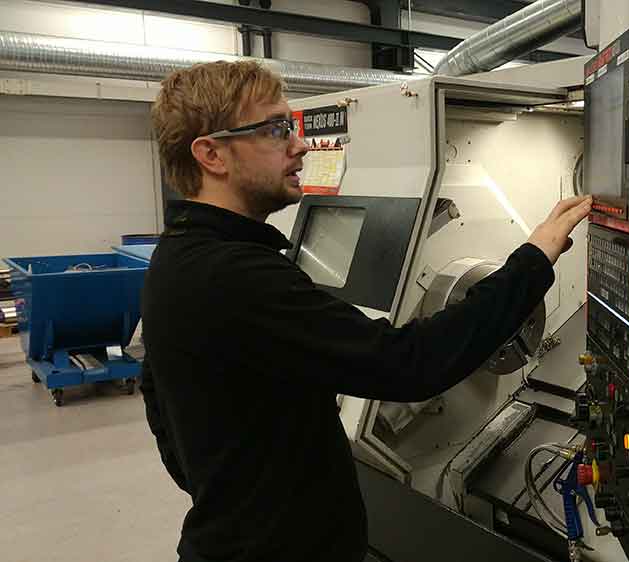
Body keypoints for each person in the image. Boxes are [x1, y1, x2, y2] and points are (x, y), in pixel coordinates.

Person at [141, 60, 592, 562]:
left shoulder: (179, 255)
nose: (300, 145)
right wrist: (532, 262)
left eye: (291, 126)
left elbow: (158, 402)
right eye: (274, 130)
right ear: (211, 155)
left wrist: (226, 490)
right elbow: (407, 363)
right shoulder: (233, 275)